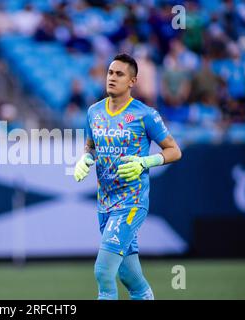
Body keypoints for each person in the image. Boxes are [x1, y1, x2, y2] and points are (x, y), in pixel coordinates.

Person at [74, 54, 182, 300]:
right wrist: (85, 159)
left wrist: (146, 161)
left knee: (103, 271)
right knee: (131, 278)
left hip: (131, 204)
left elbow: (174, 150)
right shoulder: (94, 112)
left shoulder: (145, 115)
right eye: (110, 72)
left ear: (132, 81)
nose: (112, 78)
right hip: (105, 204)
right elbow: (90, 146)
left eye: (119, 74)